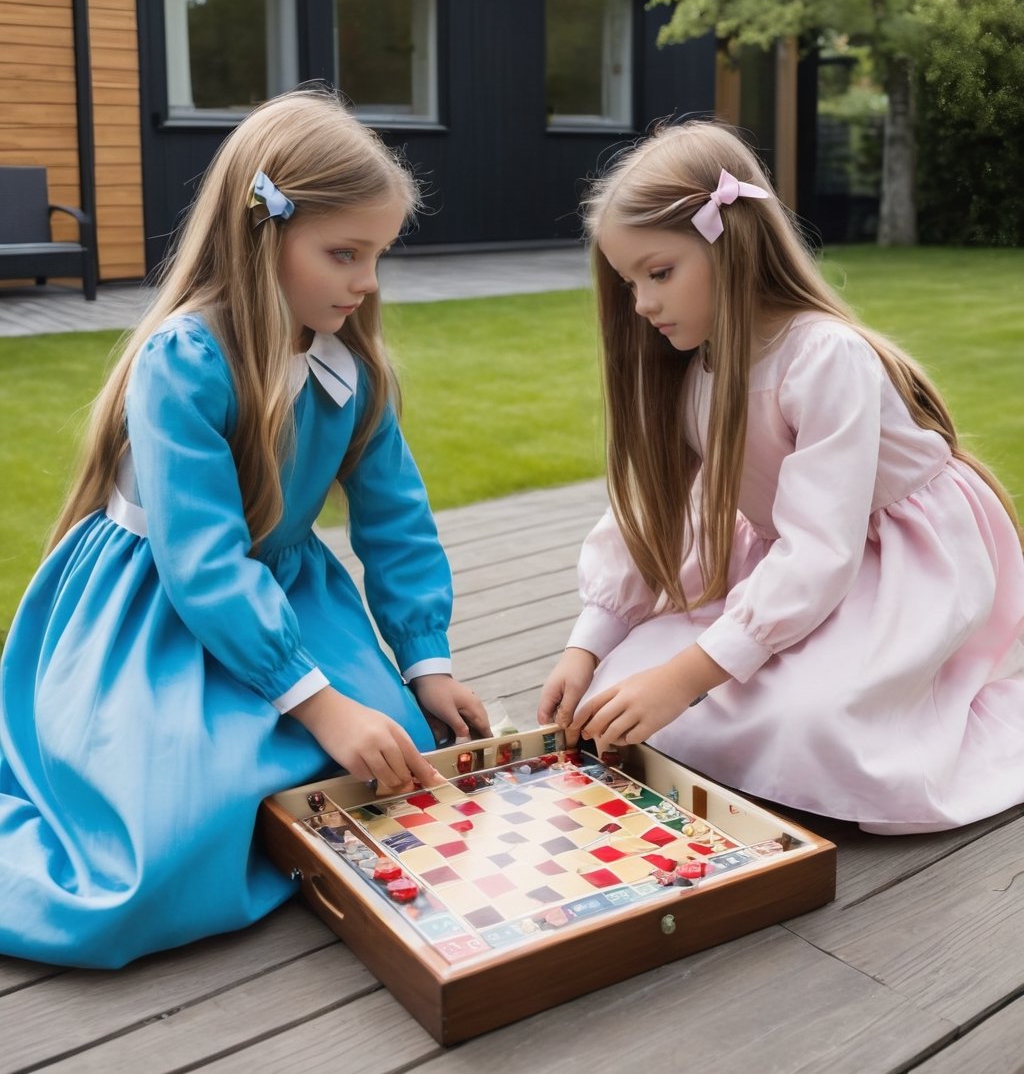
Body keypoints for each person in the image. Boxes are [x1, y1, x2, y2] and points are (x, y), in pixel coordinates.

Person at [0, 88, 488, 967]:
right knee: (165, 846)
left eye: (377, 255)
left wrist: (428, 663)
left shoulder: (352, 373)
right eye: (344, 253)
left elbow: (398, 524)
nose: (367, 282)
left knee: (401, 757)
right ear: (265, 234)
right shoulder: (182, 364)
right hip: (157, 612)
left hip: (285, 603)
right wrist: (319, 701)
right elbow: (202, 565)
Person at [539, 121, 1024, 834]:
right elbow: (662, 511)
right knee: (622, 686)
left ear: (728, 245)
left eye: (659, 273)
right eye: (629, 281)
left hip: (886, 574)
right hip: (783, 569)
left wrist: (686, 679)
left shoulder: (826, 358)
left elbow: (822, 548)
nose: (641, 304)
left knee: (815, 728)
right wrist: (590, 643)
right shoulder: (695, 363)